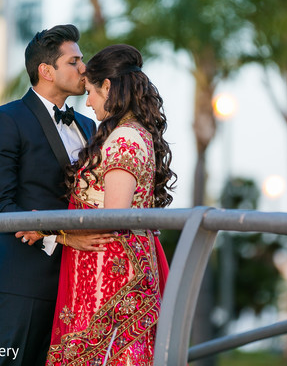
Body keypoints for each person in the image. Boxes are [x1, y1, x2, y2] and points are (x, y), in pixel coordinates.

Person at [18, 44, 176, 365]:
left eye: (90, 91)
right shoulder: (133, 132)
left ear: (107, 86)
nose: (87, 102)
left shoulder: (124, 138)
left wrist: (49, 229)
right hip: (106, 267)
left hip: (110, 277)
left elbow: (113, 214)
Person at [0, 24, 114, 366]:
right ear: (46, 71)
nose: (83, 68)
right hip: (25, 280)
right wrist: (65, 238)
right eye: (74, 61)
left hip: (81, 283)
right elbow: (2, 205)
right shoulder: (6, 120)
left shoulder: (89, 127)